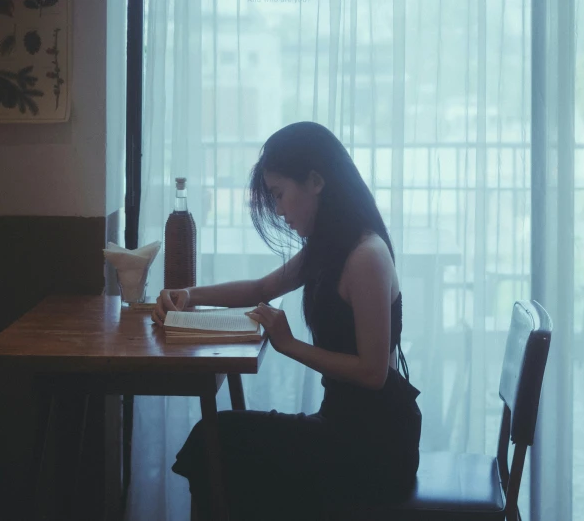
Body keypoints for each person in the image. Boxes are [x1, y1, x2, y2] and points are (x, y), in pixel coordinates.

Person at [151, 121, 421, 520]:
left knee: (217, 441)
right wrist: (189, 296)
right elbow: (262, 286)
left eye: (279, 195)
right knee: (218, 441)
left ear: (315, 181)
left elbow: (373, 372)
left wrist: (289, 343)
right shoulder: (331, 247)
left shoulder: (366, 256)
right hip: (345, 429)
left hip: (374, 447)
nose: (278, 210)